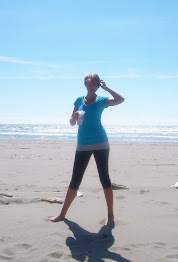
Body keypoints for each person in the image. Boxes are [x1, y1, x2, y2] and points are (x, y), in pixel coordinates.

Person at [49, 73, 125, 226]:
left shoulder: (102, 100)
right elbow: (71, 122)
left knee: (105, 179)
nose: (90, 86)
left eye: (94, 84)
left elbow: (120, 100)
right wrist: (75, 117)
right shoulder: (79, 100)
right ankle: (62, 214)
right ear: (85, 85)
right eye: (88, 84)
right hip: (82, 143)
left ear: (97, 86)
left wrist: (107, 87)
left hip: (100, 142)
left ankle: (110, 216)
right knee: (75, 179)